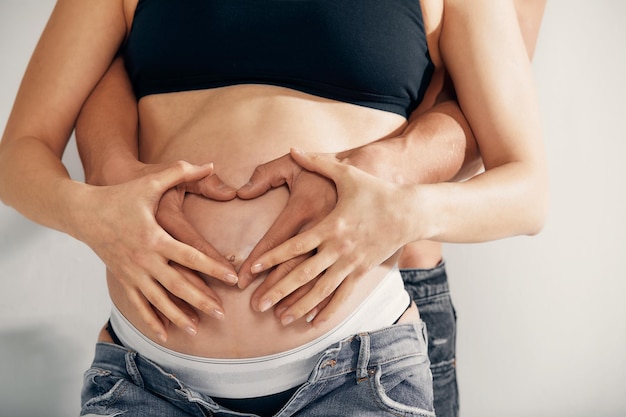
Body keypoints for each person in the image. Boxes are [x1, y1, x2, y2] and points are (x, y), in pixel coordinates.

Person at [0, 0, 548, 416]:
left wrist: (403, 213)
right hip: (149, 377)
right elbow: (20, 153)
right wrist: (87, 215)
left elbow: (527, 192)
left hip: (357, 371)